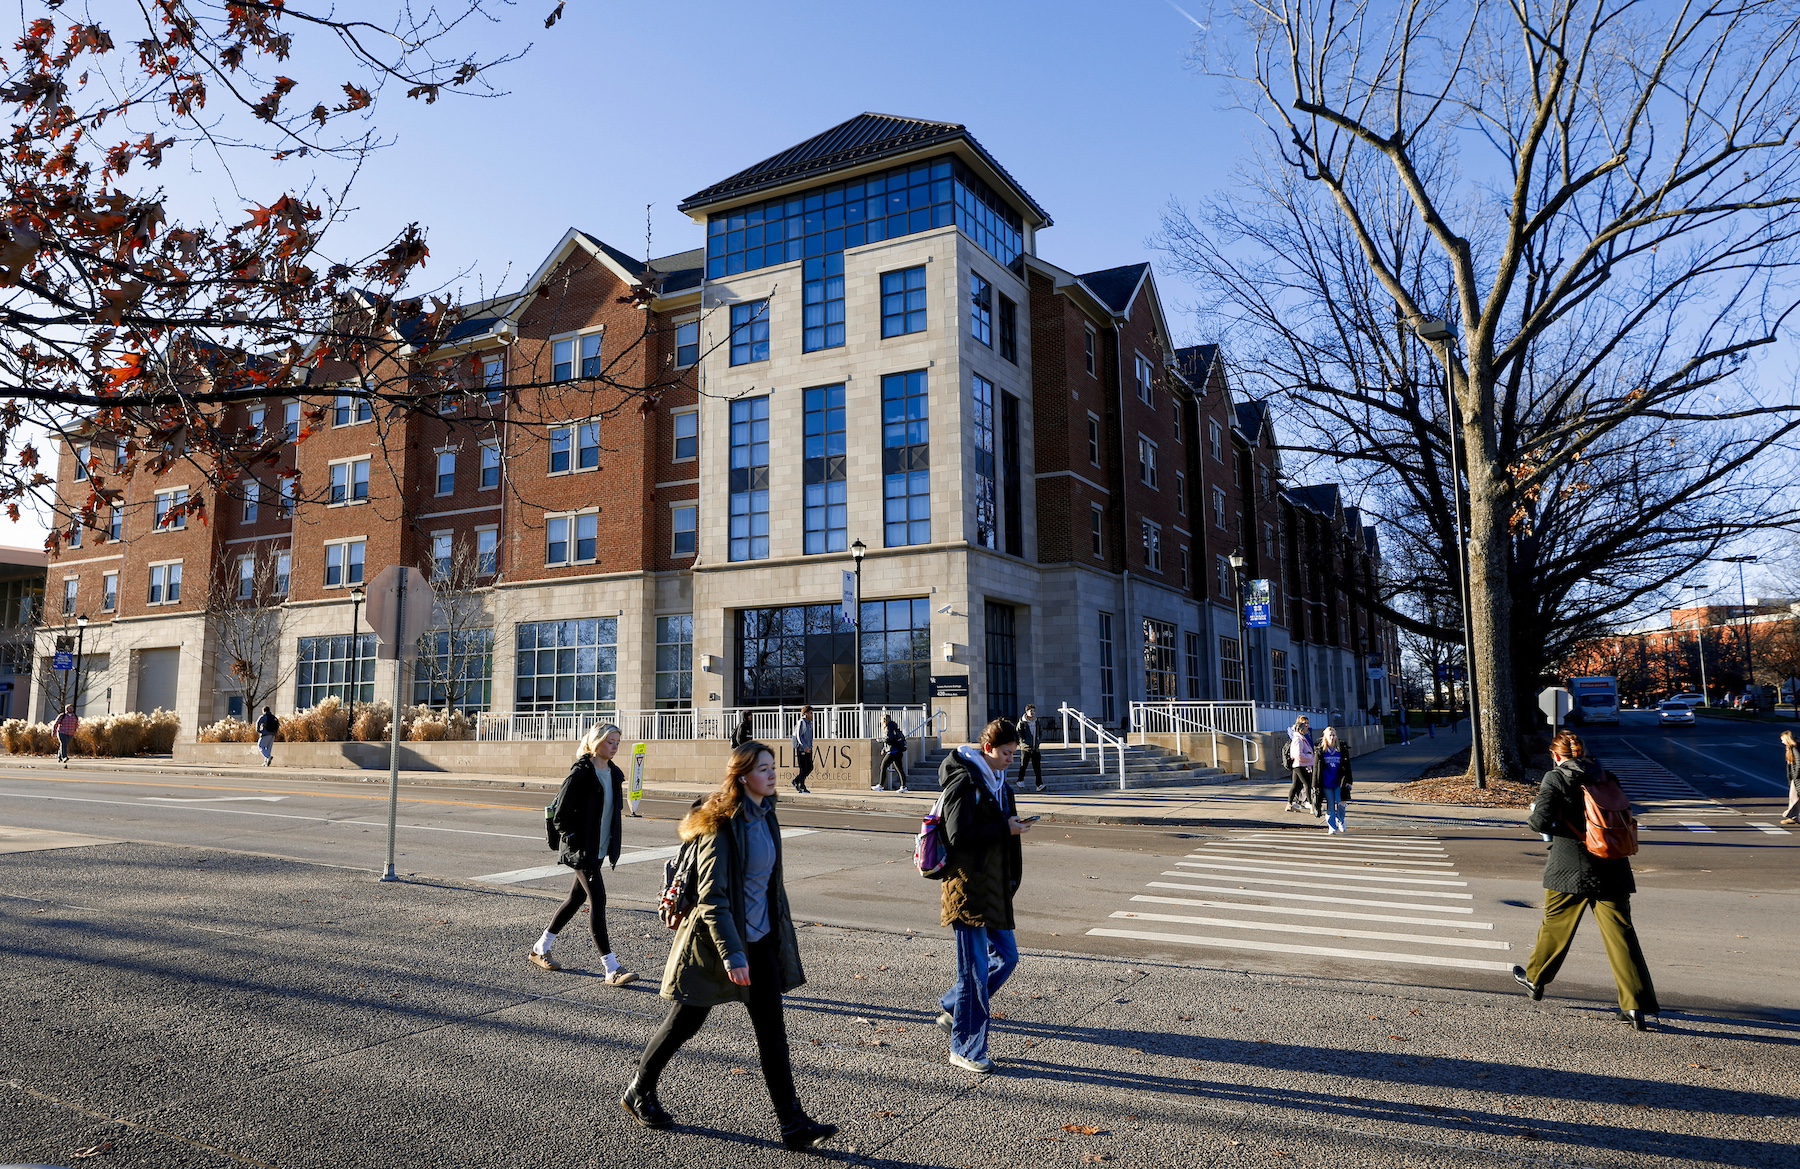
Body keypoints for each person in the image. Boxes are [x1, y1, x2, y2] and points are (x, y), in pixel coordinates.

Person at [620, 741, 836, 1152]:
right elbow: (713, 899)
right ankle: (639, 1090)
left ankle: (791, 1123)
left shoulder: (768, 814)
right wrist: (733, 954)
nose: (773, 775)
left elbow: (768, 888)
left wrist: (774, 940)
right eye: (763, 769)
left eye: (774, 767)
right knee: (685, 1022)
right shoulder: (722, 826)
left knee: (773, 1034)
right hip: (716, 944)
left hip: (761, 943)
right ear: (741, 776)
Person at [1513, 730, 1659, 1030]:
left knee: (1555, 925)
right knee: (1621, 935)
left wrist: (1541, 818)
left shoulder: (1556, 778)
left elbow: (1539, 821)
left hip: (1570, 866)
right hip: (1613, 864)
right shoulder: (1607, 777)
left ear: (1556, 756)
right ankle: (1634, 1006)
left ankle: (1535, 979)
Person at [934, 718, 1030, 1074]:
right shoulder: (965, 780)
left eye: (1014, 753)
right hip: (967, 888)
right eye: (1006, 753)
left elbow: (1000, 831)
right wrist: (1004, 828)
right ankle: (965, 1048)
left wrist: (1014, 829)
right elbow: (958, 835)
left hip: (993, 887)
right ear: (988, 749)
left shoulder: (1000, 783)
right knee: (975, 974)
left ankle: (953, 1006)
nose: (1010, 759)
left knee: (1007, 957)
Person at [529, 723, 635, 986]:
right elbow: (561, 816)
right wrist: (577, 842)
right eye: (611, 741)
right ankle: (611, 968)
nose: (615, 746)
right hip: (583, 850)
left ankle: (540, 948)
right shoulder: (580, 774)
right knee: (598, 899)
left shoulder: (613, 774)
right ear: (596, 742)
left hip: (599, 848)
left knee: (576, 898)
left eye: (618, 742)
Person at [1315, 726, 1353, 834]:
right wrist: (1315, 785)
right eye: (1329, 735)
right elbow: (1316, 769)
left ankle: (1340, 819)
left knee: (1341, 802)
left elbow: (1347, 767)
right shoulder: (1321, 751)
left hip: (1339, 782)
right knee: (1330, 805)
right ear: (1325, 737)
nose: (1332, 737)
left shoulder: (1341, 750)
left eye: (1333, 735)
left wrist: (1349, 782)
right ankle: (1331, 826)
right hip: (1326, 783)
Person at [1285, 716, 1315, 814]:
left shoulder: (1300, 738)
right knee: (1307, 784)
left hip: (1298, 765)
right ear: (1301, 729)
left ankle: (1289, 804)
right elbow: (1297, 754)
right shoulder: (1298, 739)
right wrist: (1310, 757)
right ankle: (1311, 805)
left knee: (1296, 785)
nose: (1307, 728)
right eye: (1305, 726)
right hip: (1300, 765)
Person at [876, 714, 908, 792]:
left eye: (881, 720)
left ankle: (880, 785)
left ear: (884, 720)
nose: (880, 722)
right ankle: (903, 787)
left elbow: (888, 739)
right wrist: (884, 748)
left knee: (883, 766)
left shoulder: (888, 727)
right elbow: (892, 740)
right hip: (897, 751)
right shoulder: (894, 727)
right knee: (899, 769)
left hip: (892, 751)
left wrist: (879, 740)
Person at [1016, 704, 1044, 792]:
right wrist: (1022, 742)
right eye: (1030, 711)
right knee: (1023, 765)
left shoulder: (1036, 722)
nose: (1032, 713)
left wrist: (1038, 742)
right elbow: (1018, 733)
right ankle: (1020, 780)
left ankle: (1039, 784)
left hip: (1035, 747)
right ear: (1026, 712)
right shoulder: (1022, 722)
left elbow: (1040, 732)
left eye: (1033, 711)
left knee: (1037, 767)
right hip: (1026, 748)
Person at [791, 706, 814, 794]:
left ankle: (796, 781)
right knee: (803, 768)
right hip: (802, 749)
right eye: (810, 713)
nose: (812, 715)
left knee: (810, 767)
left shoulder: (809, 723)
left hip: (808, 749)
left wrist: (810, 747)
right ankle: (802, 786)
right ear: (805, 713)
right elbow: (798, 736)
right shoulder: (801, 722)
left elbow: (810, 737)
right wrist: (804, 747)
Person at [1781, 730, 1799, 826]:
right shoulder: (1791, 748)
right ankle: (1794, 817)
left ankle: (1793, 817)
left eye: (1783, 739)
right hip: (1795, 778)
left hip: (1797, 778)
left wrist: (1796, 776)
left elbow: (1799, 764)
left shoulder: (1795, 748)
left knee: (1794, 797)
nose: (1782, 742)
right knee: (1795, 798)